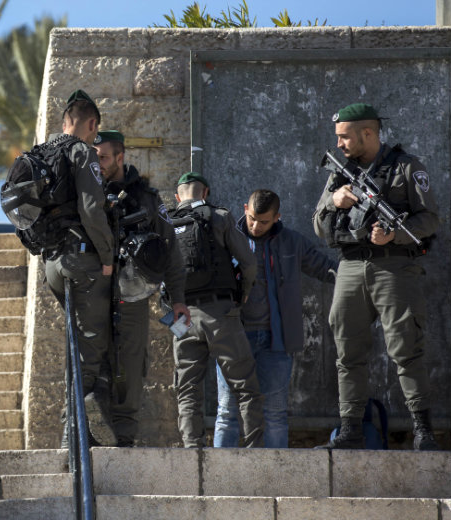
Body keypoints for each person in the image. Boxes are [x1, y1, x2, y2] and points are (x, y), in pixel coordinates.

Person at [312, 103, 440, 450]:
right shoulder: (340, 173)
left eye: (344, 136)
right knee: (347, 352)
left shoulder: (405, 167)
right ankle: (351, 428)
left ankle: (423, 430)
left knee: (406, 349)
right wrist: (334, 202)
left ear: (368, 133)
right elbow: (319, 227)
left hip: (394, 267)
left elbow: (429, 220)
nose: (339, 144)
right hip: (351, 267)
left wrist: (393, 235)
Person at [213, 189, 337, 448]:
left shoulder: (292, 242)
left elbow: (325, 268)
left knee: (275, 414)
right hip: (232, 339)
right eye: (251, 219)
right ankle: (218, 480)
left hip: (276, 342)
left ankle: (276, 481)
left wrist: (359, 276)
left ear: (277, 217)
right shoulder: (225, 239)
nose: (256, 226)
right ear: (244, 208)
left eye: (264, 221)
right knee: (227, 413)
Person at [32, 90, 116, 446]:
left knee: (75, 340)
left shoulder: (39, 154)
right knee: (91, 346)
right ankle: (73, 431)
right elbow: (92, 210)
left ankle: (75, 425)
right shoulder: (83, 153)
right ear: (92, 124)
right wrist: (108, 256)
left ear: (63, 121)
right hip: (82, 258)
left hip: (51, 261)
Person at [94, 130, 189, 447]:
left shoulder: (146, 199)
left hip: (130, 296)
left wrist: (177, 300)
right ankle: (87, 429)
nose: (97, 164)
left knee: (129, 364)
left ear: (120, 157)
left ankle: (123, 435)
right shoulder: (83, 192)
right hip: (90, 296)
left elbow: (171, 249)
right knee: (88, 362)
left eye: (103, 157)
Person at [169, 172, 264, 448]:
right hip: (220, 311)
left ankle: (192, 448)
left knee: (187, 387)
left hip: (182, 317)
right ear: (205, 193)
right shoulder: (219, 217)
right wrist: (242, 294)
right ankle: (255, 448)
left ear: (178, 197)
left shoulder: (166, 224)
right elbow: (248, 262)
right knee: (244, 384)